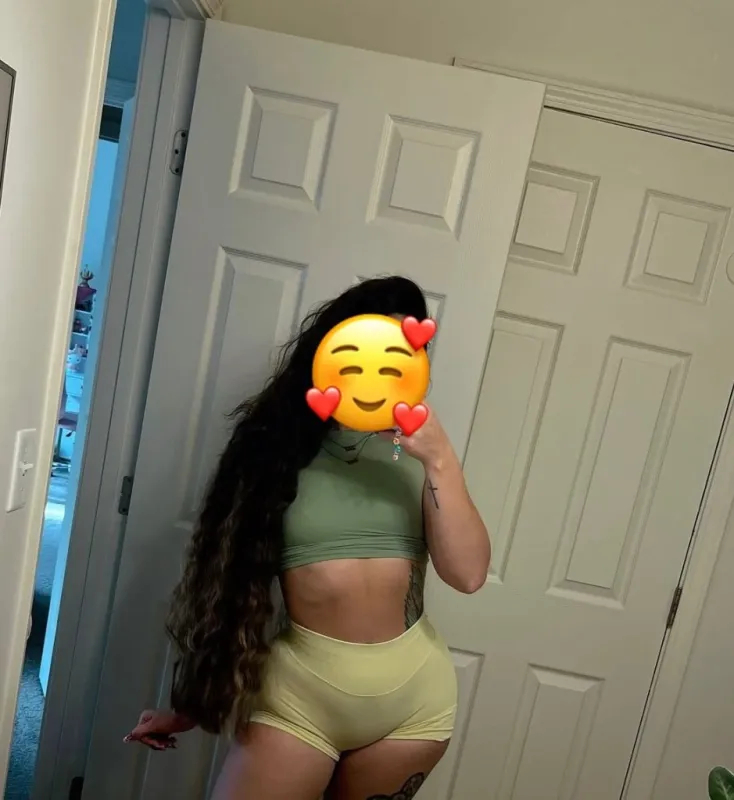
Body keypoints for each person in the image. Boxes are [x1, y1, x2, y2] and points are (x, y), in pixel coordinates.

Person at [124, 276, 490, 800]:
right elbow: (229, 588)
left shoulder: (419, 452)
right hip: (299, 701)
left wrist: (440, 458)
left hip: (412, 707)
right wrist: (189, 708)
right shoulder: (275, 444)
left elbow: (469, 574)